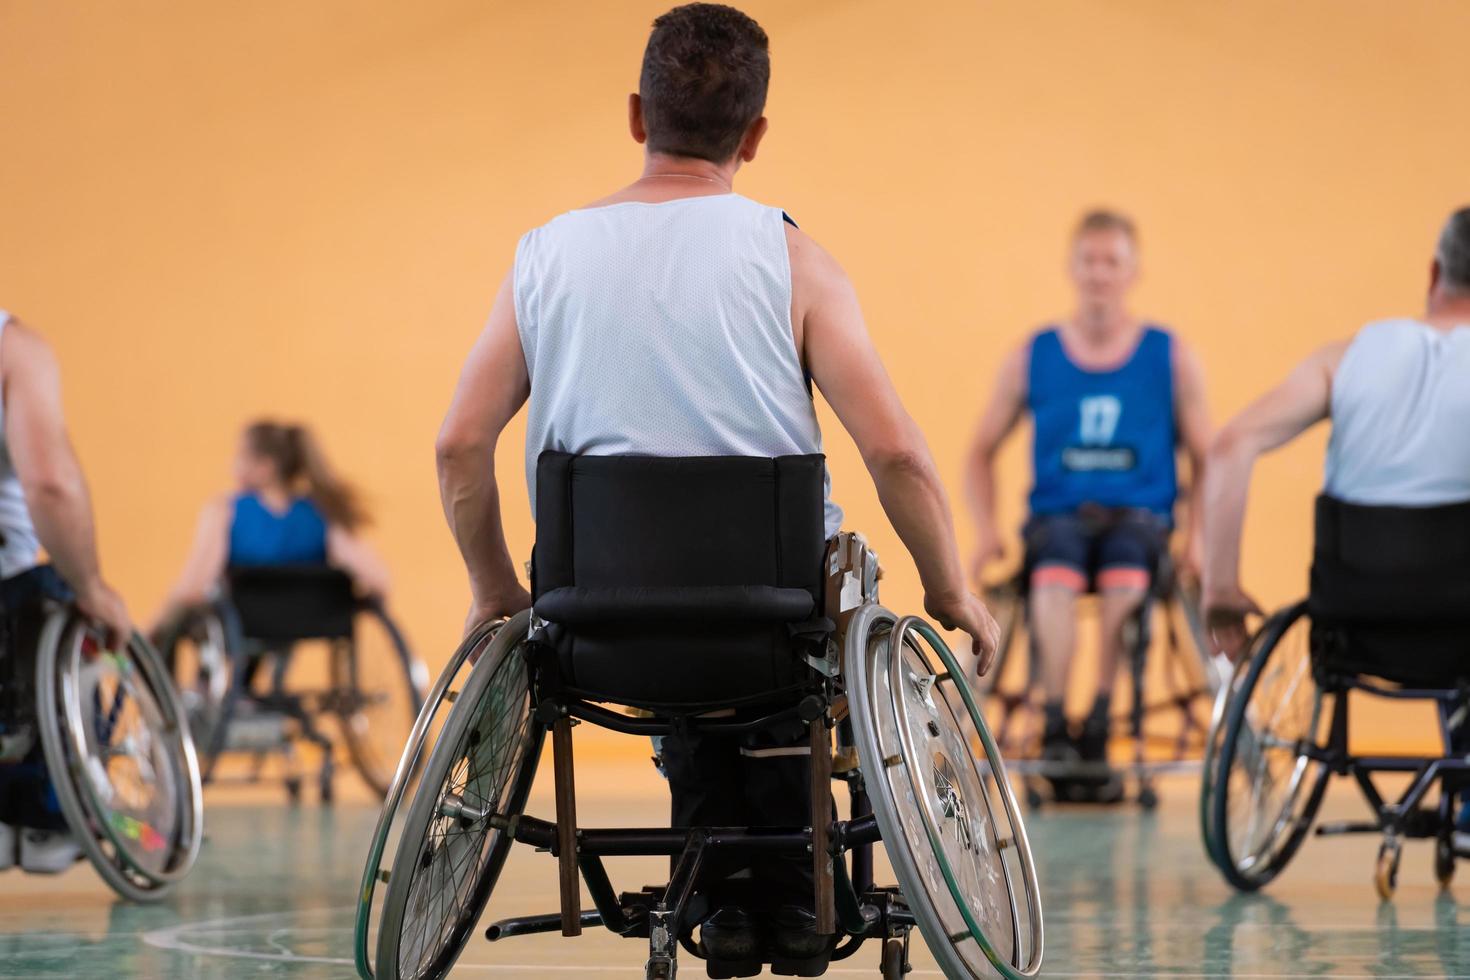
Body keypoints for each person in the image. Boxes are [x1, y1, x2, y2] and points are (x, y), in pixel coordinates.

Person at [434, 2, 999, 968]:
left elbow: (458, 446)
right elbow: (897, 454)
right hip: (771, 639)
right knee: (787, 636)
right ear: (758, 134)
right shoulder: (793, 258)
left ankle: (726, 897)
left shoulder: (544, 258)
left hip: (596, 634)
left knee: (679, 660)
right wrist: (950, 590)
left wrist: (495, 590)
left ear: (636, 116)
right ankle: (788, 890)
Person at [1201, 206, 1470, 844]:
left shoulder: (1347, 357)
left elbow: (1229, 447)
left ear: (1434, 271)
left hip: (1354, 625)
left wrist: (1220, 592)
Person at [964, 210, 1211, 798]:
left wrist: (1198, 538)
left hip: (1140, 518)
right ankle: (1053, 719)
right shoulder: (1035, 354)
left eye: (1112, 262)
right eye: (1090, 261)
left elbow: (1210, 457)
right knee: (1053, 575)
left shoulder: (1168, 355)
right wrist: (986, 532)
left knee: (1128, 571)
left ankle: (1100, 719)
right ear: (1073, 268)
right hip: (1059, 517)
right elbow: (979, 450)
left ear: (1133, 271)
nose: (1100, 274)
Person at [0, 309, 133, 873]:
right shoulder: (15, 351)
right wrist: (91, 585)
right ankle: (50, 813)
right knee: (62, 597)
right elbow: (50, 484)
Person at [153, 420, 389, 630]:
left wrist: (155, 625)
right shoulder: (321, 512)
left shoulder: (225, 510)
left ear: (265, 467)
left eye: (239, 457)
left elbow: (194, 586)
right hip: (311, 619)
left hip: (245, 620)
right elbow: (377, 578)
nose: (231, 466)